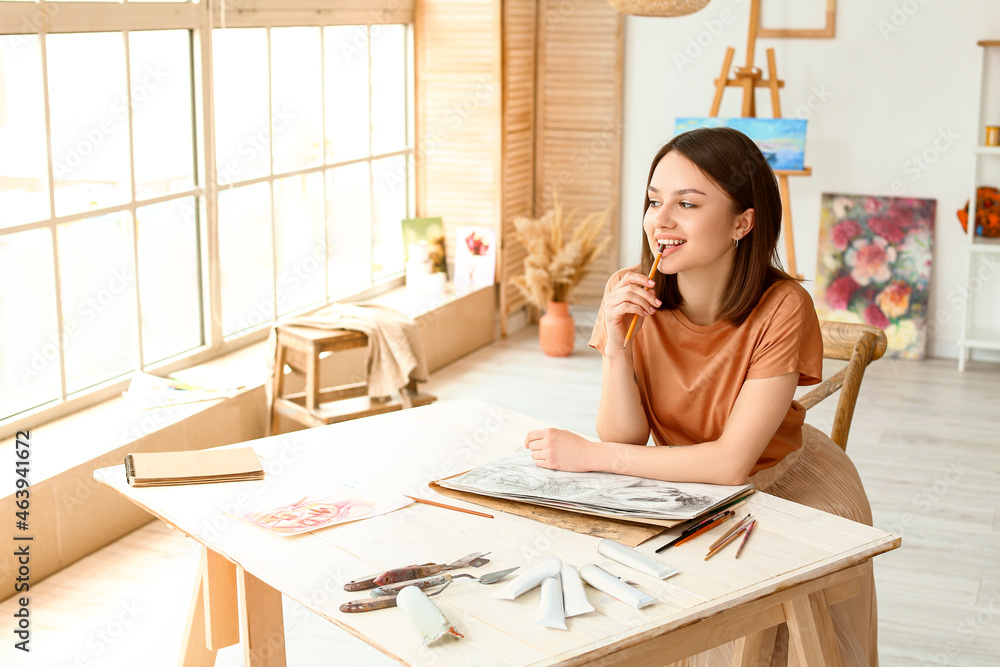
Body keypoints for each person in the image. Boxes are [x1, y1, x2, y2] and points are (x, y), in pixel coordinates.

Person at [524, 127, 878, 666]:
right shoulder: (632, 289)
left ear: (742, 222)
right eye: (653, 201)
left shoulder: (783, 305)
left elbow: (732, 464)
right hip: (682, 487)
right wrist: (616, 349)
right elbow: (623, 435)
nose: (660, 221)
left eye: (687, 203)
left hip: (783, 488)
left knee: (768, 642)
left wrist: (591, 458)